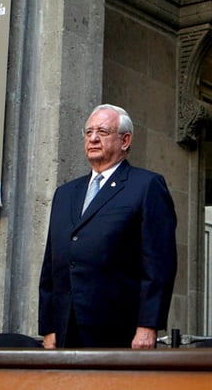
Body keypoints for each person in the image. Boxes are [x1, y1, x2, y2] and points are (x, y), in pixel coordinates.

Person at [38, 104, 177, 349]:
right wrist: (48, 326)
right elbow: (52, 264)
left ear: (125, 140)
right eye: (88, 131)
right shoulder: (66, 193)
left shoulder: (146, 186)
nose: (92, 138)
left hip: (118, 328)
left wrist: (148, 325)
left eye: (102, 131)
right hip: (65, 327)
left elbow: (159, 265)